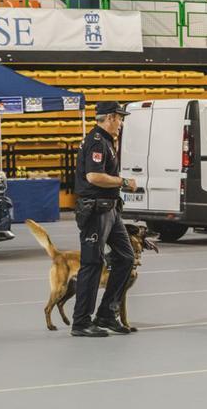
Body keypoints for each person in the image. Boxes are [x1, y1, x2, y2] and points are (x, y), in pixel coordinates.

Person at [71, 101, 137, 337]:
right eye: (119, 118)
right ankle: (81, 322)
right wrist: (123, 182)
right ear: (109, 117)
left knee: (126, 257)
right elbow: (94, 176)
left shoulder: (106, 141)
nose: (121, 123)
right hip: (96, 210)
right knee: (92, 263)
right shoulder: (96, 142)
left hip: (110, 210)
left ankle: (107, 314)